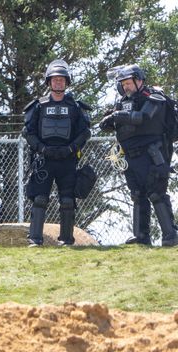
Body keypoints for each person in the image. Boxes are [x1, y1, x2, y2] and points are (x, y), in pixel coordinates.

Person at [100, 64, 177, 246]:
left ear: (139, 80)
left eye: (128, 82)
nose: (126, 87)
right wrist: (109, 119)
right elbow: (107, 125)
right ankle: (141, 237)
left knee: (156, 192)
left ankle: (170, 235)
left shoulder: (154, 97)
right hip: (130, 155)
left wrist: (117, 115)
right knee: (137, 194)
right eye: (123, 84)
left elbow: (142, 117)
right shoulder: (121, 102)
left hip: (152, 153)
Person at [23, 60, 92, 246]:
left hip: (67, 160)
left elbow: (85, 132)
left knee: (67, 201)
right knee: (39, 199)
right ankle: (35, 239)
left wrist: (71, 149)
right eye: (55, 80)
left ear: (67, 82)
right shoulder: (39, 105)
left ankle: (67, 240)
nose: (58, 83)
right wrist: (42, 148)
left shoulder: (75, 107)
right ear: (49, 82)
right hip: (44, 159)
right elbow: (28, 133)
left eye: (62, 80)